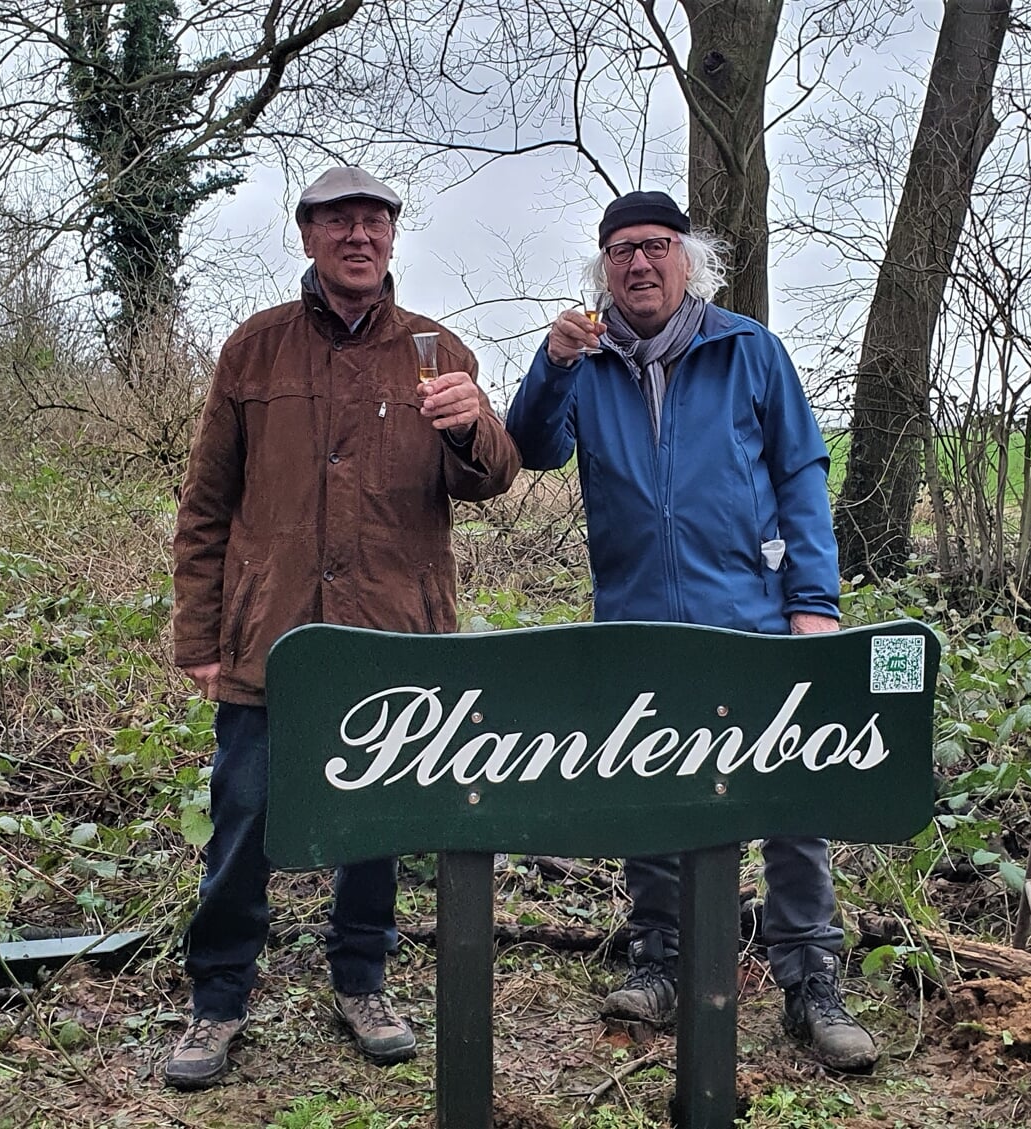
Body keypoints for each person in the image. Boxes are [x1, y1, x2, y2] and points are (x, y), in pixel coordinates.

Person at [164, 166, 521, 1089]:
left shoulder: (438, 350)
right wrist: (199, 636)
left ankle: (362, 979)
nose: (357, 236)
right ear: (309, 235)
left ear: (393, 238)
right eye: (338, 222)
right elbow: (206, 506)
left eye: (373, 221)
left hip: (394, 635)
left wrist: (472, 424)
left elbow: (491, 480)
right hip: (272, 635)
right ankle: (218, 995)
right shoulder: (253, 350)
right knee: (243, 814)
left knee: (377, 818)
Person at [504, 190, 875, 1071]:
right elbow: (530, 447)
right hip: (636, 622)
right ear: (604, 269)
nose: (640, 263)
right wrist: (551, 364)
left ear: (687, 258)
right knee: (653, 796)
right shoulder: (585, 364)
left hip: (751, 618)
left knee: (789, 799)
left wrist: (813, 600)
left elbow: (802, 470)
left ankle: (810, 978)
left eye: (657, 247)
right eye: (622, 250)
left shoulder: (748, 350)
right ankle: (661, 959)